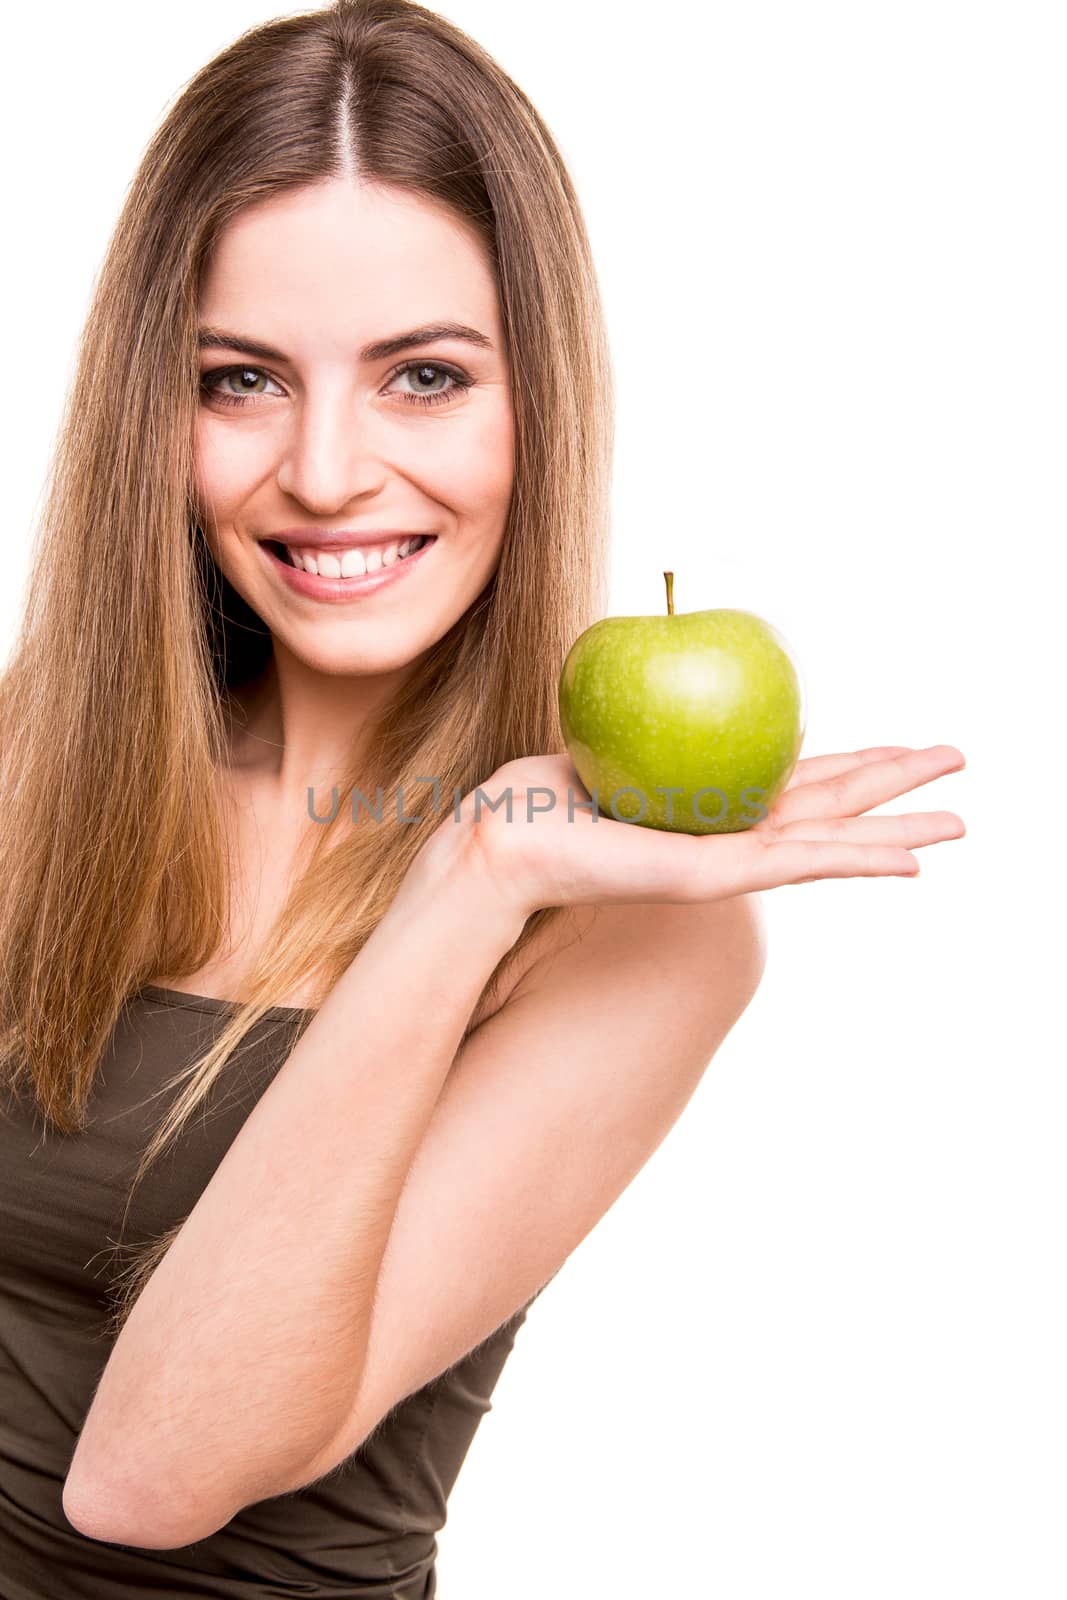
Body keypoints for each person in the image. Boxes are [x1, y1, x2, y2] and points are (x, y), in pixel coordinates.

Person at [0, 0, 966, 1592]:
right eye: (241, 380)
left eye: (424, 377)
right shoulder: (37, 766)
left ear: (538, 399)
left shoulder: (626, 935)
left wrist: (462, 887)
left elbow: (153, 1477)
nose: (324, 471)